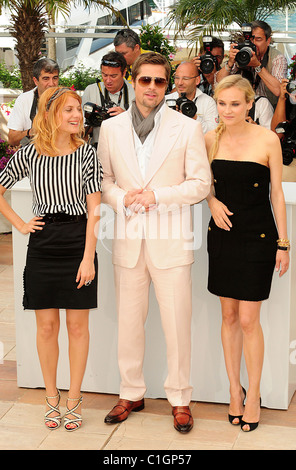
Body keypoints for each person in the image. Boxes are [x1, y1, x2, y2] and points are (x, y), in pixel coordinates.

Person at [98, 52, 211, 433]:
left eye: (159, 82)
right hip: (128, 240)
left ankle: (180, 398)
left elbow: (200, 184)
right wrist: (121, 199)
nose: (151, 88)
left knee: (177, 326)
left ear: (168, 85)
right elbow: (104, 180)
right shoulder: (111, 130)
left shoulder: (186, 127)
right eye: (145, 80)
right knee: (129, 324)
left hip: (172, 242)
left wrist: (158, 197)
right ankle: (131, 391)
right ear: (132, 80)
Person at [0, 87, 102, 431]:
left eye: (78, 110)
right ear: (49, 115)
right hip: (43, 245)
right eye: (69, 110)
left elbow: (95, 211)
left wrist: (89, 258)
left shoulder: (87, 153)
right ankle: (51, 396)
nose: (77, 116)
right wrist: (20, 223)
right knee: (46, 327)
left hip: (77, 242)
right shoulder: (31, 153)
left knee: (77, 326)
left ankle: (74, 397)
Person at [205, 74, 289, 432]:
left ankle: (253, 393)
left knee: (248, 320)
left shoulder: (268, 139)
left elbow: (277, 195)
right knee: (227, 317)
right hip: (222, 236)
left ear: (249, 104)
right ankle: (233, 391)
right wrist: (210, 201)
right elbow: (201, 183)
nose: (227, 110)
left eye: (235, 104)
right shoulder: (209, 138)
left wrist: (283, 243)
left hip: (258, 237)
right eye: (222, 104)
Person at [217, 21, 287, 108]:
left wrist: (257, 66)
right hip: (242, 109)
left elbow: (278, 90)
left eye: (258, 39)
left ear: (268, 41)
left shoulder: (277, 58)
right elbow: (219, 82)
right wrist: (230, 63)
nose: (253, 43)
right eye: (251, 39)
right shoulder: (242, 53)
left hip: (269, 111)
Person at [82, 51, 135, 148]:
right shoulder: (91, 90)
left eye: (113, 76)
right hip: (98, 148)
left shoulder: (135, 92)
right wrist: (92, 121)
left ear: (124, 73)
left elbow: (144, 128)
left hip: (127, 148)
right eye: (104, 75)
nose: (108, 80)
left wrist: (126, 117)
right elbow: (79, 130)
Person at [7, 58, 60, 146]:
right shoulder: (24, 99)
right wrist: (34, 131)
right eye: (46, 78)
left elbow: (80, 132)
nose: (51, 83)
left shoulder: (67, 98)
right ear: (36, 81)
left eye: (55, 78)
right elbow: (12, 139)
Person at [166, 61, 218, 133]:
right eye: (177, 78)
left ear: (197, 80)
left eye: (185, 78)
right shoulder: (166, 100)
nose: (180, 83)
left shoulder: (208, 102)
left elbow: (213, 134)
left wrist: (194, 117)